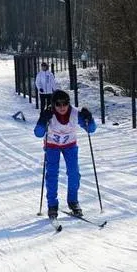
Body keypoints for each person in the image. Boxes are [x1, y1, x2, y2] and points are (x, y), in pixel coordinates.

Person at [34, 90, 96, 218]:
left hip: (70, 145)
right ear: (53, 104)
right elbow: (38, 133)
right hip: (52, 145)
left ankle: (73, 202)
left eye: (65, 103)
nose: (62, 107)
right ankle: (52, 205)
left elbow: (91, 129)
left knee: (74, 173)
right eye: (58, 104)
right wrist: (42, 119)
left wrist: (89, 118)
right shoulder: (49, 114)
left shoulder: (75, 113)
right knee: (52, 175)